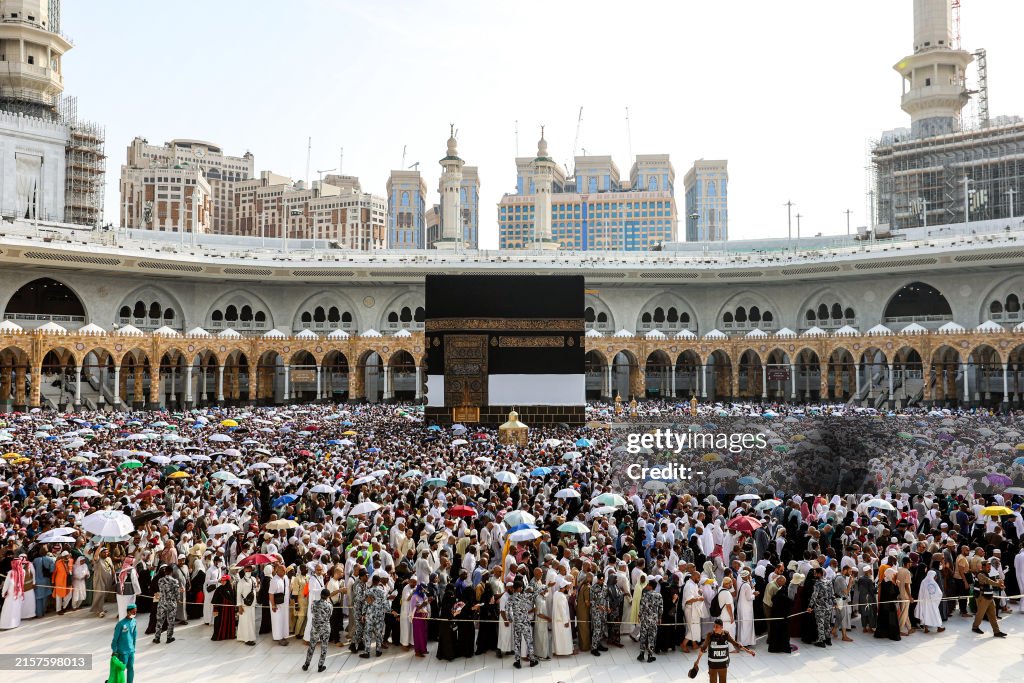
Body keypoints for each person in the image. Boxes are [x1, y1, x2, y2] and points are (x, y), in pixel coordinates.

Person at [694, 617, 755, 683]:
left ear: (721, 627)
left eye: (717, 627)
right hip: (713, 665)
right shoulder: (710, 635)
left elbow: (736, 644)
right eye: (714, 626)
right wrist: (697, 661)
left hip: (723, 665)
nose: (714, 628)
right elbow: (703, 648)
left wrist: (748, 651)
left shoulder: (726, 634)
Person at [971, 559, 1007, 638]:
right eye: (988, 567)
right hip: (982, 598)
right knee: (980, 614)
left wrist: (999, 584)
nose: (989, 569)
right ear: (982, 567)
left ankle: (996, 631)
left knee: (993, 615)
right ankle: (975, 627)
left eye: (990, 567)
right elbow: (989, 581)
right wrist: (998, 584)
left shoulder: (986, 574)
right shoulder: (980, 575)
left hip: (989, 597)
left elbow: (993, 581)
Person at [508, 579, 538, 669]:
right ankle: (532, 660)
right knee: (529, 641)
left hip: (517, 623)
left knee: (517, 642)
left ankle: (517, 662)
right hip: (525, 622)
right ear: (520, 588)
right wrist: (546, 586)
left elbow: (508, 610)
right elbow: (535, 593)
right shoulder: (524, 596)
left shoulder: (511, 598)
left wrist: (510, 618)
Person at [303, 588, 333, 673]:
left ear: (320, 595)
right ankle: (320, 666)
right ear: (328, 596)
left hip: (315, 628)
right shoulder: (329, 605)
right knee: (324, 646)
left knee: (311, 646)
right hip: (325, 628)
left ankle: (306, 665)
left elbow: (312, 612)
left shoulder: (314, 603)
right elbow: (330, 615)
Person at [806, 567, 835, 648]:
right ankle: (828, 639)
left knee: (820, 624)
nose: (814, 575)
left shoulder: (817, 583)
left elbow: (814, 596)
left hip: (820, 607)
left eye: (815, 573)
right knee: (827, 623)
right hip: (828, 607)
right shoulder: (829, 582)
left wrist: (810, 606)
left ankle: (821, 641)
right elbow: (832, 594)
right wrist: (835, 603)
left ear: (819, 574)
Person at [360, 574, 387, 658]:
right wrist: (390, 611)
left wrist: (363, 614)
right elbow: (386, 604)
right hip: (379, 616)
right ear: (379, 582)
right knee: (379, 633)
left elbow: (365, 604)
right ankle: (378, 651)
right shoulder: (383, 592)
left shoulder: (368, 591)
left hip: (370, 615)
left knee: (368, 633)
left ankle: (367, 652)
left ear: (372, 581)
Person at [153, 565, 181, 644]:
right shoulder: (175, 581)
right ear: (172, 572)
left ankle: (157, 638)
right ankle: (169, 637)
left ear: (165, 572)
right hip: (171, 604)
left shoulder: (160, 580)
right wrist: (178, 600)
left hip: (162, 603)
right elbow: (177, 593)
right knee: (171, 621)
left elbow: (161, 590)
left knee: (159, 621)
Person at [636, 576, 662, 663]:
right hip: (653, 619)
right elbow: (661, 608)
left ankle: (641, 654)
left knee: (643, 636)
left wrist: (639, 616)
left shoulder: (645, 595)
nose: (647, 585)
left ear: (650, 586)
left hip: (645, 619)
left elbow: (641, 606)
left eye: (648, 584)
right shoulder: (658, 596)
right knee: (651, 637)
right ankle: (650, 656)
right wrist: (659, 618)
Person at [111, 603, 138, 683]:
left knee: (131, 668)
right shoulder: (121, 624)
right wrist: (114, 651)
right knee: (121, 670)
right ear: (128, 612)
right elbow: (115, 639)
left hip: (131, 651)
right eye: (133, 612)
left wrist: (133, 647)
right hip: (122, 651)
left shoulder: (134, 621)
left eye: (136, 611)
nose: (135, 613)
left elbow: (134, 635)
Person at [765, 576, 792, 654]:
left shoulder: (773, 587)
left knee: (774, 631)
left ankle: (772, 645)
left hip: (775, 616)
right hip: (781, 619)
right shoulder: (782, 595)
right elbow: (790, 604)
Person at [873, 568, 901, 641]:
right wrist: (897, 586)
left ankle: (883, 633)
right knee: (891, 620)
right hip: (889, 605)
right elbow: (893, 594)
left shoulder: (883, 581)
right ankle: (892, 634)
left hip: (884, 604)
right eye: (893, 574)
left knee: (884, 618)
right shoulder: (890, 583)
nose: (894, 575)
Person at [0, 555, 26, 630]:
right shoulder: (23, 571)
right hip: (19, 592)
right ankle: (15, 623)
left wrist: (3, 593)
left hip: (11, 593)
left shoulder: (10, 572)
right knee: (16, 608)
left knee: (8, 608)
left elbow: (6, 584)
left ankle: (7, 625)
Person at [915, 569, 944, 634]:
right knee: (936, 614)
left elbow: (921, 592)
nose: (936, 577)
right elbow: (939, 593)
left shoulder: (923, 581)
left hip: (925, 602)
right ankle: (939, 628)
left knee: (925, 614)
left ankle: (926, 629)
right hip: (932, 602)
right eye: (935, 576)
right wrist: (937, 598)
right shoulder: (933, 582)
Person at [268, 563, 291, 646]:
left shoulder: (285, 578)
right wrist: (273, 605)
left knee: (284, 620)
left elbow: (288, 588)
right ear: (278, 570)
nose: (284, 572)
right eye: (282, 570)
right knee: (277, 621)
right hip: (277, 604)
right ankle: (279, 638)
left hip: (284, 603)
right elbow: (271, 594)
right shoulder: (274, 580)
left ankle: (284, 635)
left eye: (285, 570)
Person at [115, 554, 141, 621]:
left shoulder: (118, 570)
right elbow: (135, 582)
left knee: (121, 609)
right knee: (130, 609)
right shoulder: (132, 570)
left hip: (119, 593)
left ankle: (122, 623)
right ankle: (129, 624)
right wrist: (138, 592)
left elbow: (116, 582)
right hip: (129, 593)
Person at [551, 578, 573, 656]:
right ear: (563, 587)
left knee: (558, 637)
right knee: (564, 637)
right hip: (562, 621)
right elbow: (562, 610)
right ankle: (566, 651)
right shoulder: (561, 597)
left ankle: (557, 651)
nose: (568, 588)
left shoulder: (556, 593)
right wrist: (565, 621)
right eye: (567, 587)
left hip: (557, 620)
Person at [211, 574, 237, 641]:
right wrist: (215, 610)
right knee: (218, 622)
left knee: (229, 622)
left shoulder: (231, 589)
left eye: (224, 581)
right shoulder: (218, 589)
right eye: (221, 580)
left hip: (229, 610)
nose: (222, 582)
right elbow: (214, 600)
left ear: (227, 581)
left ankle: (229, 635)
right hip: (220, 610)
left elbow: (234, 599)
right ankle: (219, 635)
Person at [236, 567, 258, 646]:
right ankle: (247, 639)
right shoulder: (241, 582)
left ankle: (246, 637)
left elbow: (256, 590)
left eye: (249, 570)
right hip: (244, 605)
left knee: (251, 621)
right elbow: (238, 594)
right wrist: (239, 606)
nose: (248, 571)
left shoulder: (253, 579)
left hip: (252, 605)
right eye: (246, 570)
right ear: (244, 571)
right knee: (246, 622)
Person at [410, 582, 430, 657]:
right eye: (423, 588)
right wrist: (422, 605)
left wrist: (427, 602)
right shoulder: (414, 596)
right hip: (417, 616)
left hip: (423, 616)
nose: (424, 590)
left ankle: (423, 649)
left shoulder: (423, 595)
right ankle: (418, 651)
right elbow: (413, 608)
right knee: (418, 634)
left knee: (423, 633)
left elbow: (426, 602)